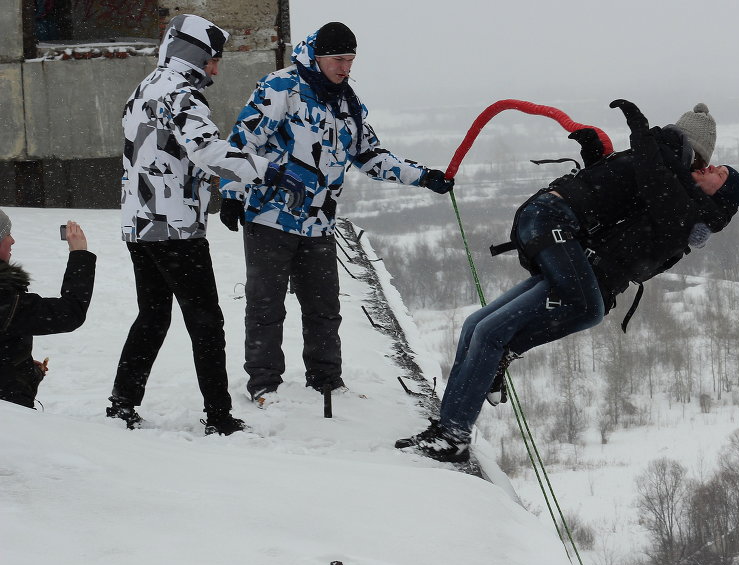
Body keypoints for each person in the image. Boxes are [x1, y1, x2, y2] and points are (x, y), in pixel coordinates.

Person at [396, 99, 739, 462]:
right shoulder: (670, 179)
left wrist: (634, 138)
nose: (706, 169)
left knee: (478, 326)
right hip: (560, 231)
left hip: (563, 238)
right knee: (543, 321)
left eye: (715, 172)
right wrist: (615, 149)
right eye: (708, 163)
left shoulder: (680, 204)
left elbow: (644, 186)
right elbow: (628, 186)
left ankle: (448, 429)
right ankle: (453, 432)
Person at [219, 21, 455, 408]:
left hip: (318, 221)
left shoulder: (349, 104)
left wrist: (423, 177)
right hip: (269, 215)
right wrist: (230, 193)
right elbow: (243, 141)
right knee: (266, 306)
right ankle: (264, 385)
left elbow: (371, 156)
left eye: (350, 61)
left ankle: (326, 379)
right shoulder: (282, 87)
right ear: (317, 56)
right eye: (338, 60)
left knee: (324, 308)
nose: (345, 68)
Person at [107, 14, 306, 435]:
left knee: (153, 315)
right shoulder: (182, 94)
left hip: (139, 223)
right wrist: (270, 171)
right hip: (175, 227)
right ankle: (218, 416)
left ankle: (122, 401)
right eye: (213, 59)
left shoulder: (145, 87)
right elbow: (207, 151)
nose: (216, 68)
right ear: (194, 54)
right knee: (206, 321)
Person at [0, 210, 96, 409]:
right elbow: (69, 313)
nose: (12, 240)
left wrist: (20, 365)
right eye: (5, 234)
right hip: (10, 419)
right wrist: (80, 255)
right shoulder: (5, 300)